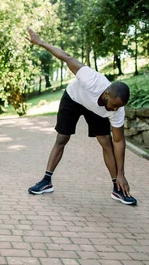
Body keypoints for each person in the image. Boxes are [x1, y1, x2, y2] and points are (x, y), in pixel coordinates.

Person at [25, 28, 137, 205]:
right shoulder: (92, 80)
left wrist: (122, 174)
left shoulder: (117, 110)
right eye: (115, 105)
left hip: (95, 110)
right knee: (62, 138)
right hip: (74, 99)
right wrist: (41, 42)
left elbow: (119, 142)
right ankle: (46, 181)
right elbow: (67, 58)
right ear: (107, 94)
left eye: (120, 107)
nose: (116, 109)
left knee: (106, 142)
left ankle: (117, 187)